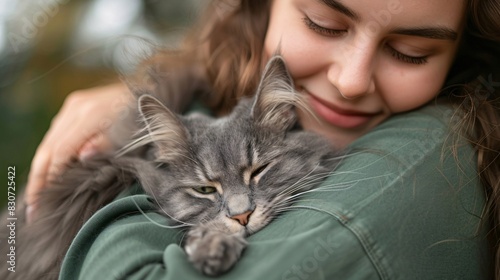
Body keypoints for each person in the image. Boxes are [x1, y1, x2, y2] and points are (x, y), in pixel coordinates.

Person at [25, 0, 500, 278]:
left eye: (410, 52)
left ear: (464, 51)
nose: (351, 81)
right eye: (324, 24)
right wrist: (149, 102)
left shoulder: (413, 171)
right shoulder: (211, 101)